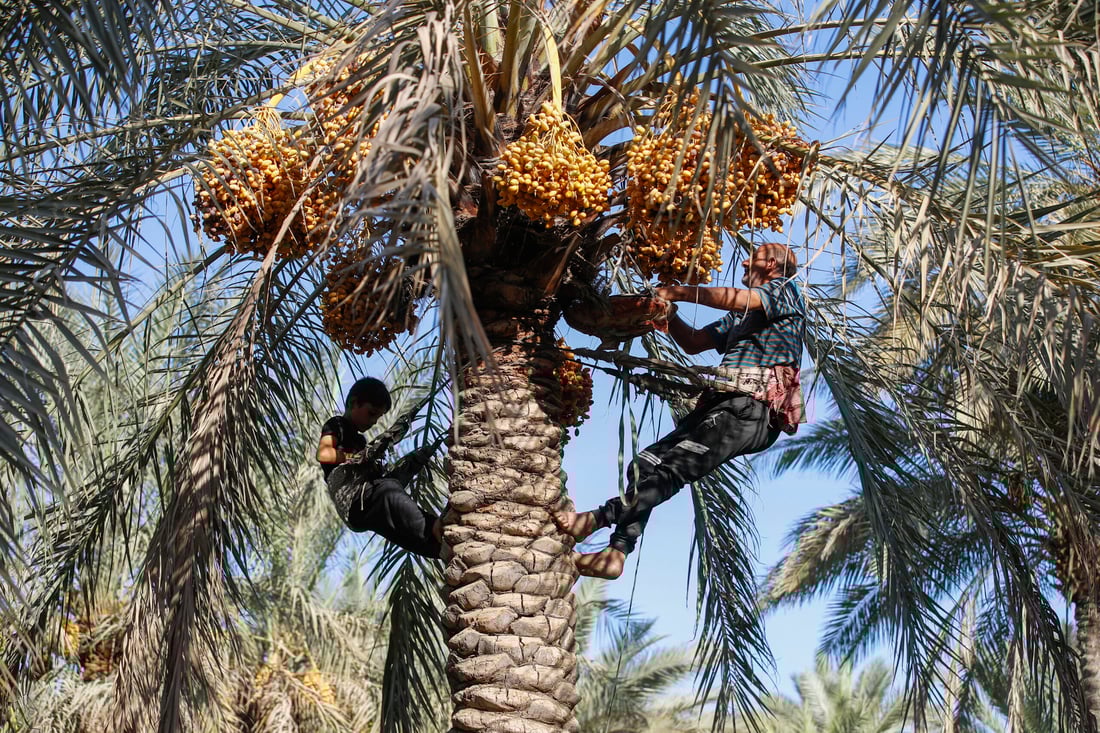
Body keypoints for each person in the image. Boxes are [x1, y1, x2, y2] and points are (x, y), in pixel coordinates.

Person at [555, 243, 806, 579]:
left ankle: (596, 519)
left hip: (751, 410)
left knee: (672, 471)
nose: (745, 261)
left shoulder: (786, 290)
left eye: (754, 257)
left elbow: (740, 298)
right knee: (644, 465)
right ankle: (615, 553)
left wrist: (678, 291)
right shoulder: (742, 316)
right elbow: (694, 342)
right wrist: (667, 312)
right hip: (722, 405)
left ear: (771, 264)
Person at [318, 377, 443, 559]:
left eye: (378, 417)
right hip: (353, 501)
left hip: (366, 503)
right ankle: (433, 526)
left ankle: (439, 548)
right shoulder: (336, 424)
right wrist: (356, 458)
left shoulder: (360, 440)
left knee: (397, 522)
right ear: (353, 403)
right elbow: (324, 454)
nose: (374, 422)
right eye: (371, 413)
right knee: (388, 490)